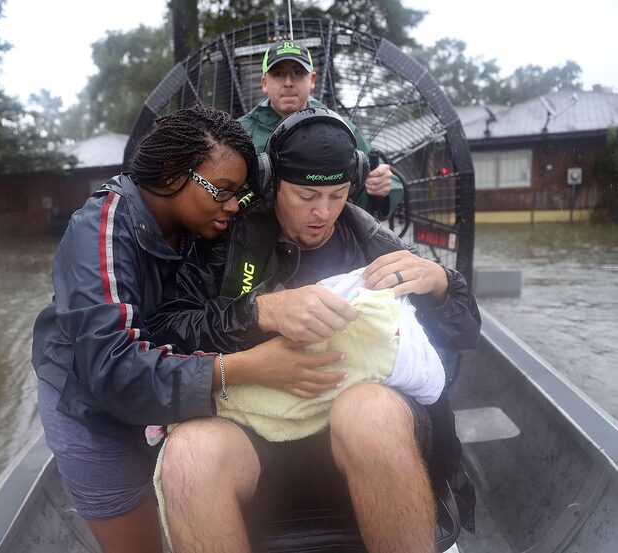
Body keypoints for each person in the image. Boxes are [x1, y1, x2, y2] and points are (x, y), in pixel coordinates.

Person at [147, 107, 481, 553]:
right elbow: (165, 330)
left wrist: (442, 285)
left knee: (371, 412)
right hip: (255, 441)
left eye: (339, 195)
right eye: (305, 196)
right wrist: (257, 313)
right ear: (271, 182)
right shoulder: (224, 241)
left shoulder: (372, 241)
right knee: (188, 453)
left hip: (354, 439)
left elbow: (462, 335)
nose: (323, 213)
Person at [30, 104, 344, 553]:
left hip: (170, 389)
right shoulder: (100, 232)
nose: (235, 206)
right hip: (92, 410)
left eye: (240, 194)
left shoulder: (198, 222)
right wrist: (246, 367)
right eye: (223, 191)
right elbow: (114, 370)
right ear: (175, 173)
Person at [239, 39, 404, 219]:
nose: (288, 82)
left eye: (298, 73)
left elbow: (371, 187)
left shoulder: (342, 128)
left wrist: (380, 186)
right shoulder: (240, 132)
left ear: (312, 80)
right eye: (278, 74)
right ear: (264, 82)